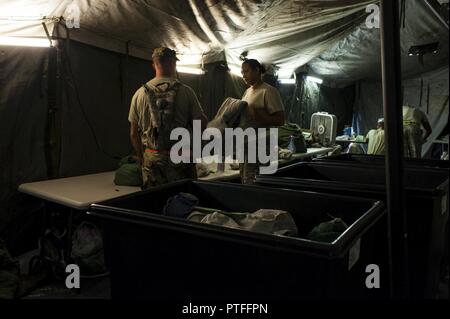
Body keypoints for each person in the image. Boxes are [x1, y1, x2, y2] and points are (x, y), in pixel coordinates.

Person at [128, 47, 208, 188]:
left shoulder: (139, 94)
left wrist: (141, 157)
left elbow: (134, 133)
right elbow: (201, 124)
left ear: (154, 65)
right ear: (173, 63)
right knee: (184, 201)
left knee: (154, 204)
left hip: (152, 159)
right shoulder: (186, 91)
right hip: (181, 157)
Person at [239, 59, 285, 184]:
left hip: (261, 148)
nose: (243, 75)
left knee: (257, 182)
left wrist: (260, 118)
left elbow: (281, 120)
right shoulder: (247, 92)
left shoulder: (269, 91)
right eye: (242, 72)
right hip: (246, 146)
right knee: (245, 181)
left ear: (257, 70)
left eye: (246, 71)